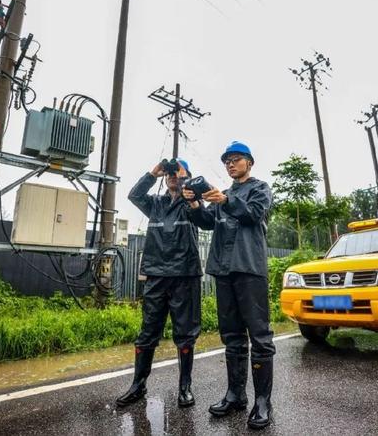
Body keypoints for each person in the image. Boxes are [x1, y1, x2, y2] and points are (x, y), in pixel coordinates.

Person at [183, 141, 276, 429]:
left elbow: (253, 214)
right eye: (227, 161)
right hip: (224, 270)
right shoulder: (222, 195)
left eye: (236, 160)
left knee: (260, 337)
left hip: (250, 268)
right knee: (232, 336)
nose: (231, 164)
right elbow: (208, 222)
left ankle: (263, 401)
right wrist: (195, 203)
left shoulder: (260, 189)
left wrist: (225, 201)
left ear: (249, 162)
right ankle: (235, 394)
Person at [116, 158, 202, 408]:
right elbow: (134, 194)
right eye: (170, 174)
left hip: (184, 276)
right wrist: (154, 172)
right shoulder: (154, 204)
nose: (173, 176)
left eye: (177, 173)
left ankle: (185, 387)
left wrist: (186, 178)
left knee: (185, 335)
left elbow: (199, 209)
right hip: (156, 276)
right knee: (147, 334)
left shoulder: (191, 203)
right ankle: (138, 385)